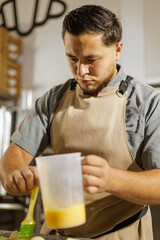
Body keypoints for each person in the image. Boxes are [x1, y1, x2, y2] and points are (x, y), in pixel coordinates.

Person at [0, 4, 160, 240]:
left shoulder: (148, 103)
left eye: (91, 59)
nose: (81, 70)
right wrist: (13, 174)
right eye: (72, 58)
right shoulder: (53, 100)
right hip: (57, 233)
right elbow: (15, 155)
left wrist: (111, 179)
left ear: (117, 50)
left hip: (120, 233)